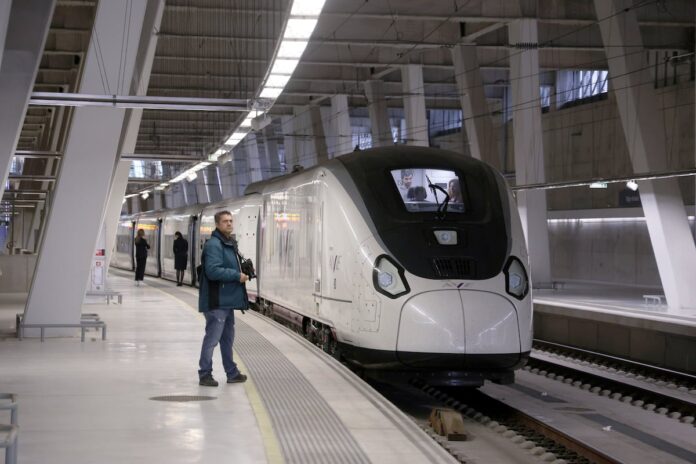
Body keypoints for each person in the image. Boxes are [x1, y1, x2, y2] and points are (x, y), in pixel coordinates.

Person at [198, 211, 249, 387]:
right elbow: (212, 271)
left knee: (227, 339)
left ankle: (232, 372)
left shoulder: (228, 243)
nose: (229, 224)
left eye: (231, 221)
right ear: (217, 224)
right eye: (225, 221)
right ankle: (205, 373)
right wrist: (236, 275)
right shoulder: (214, 245)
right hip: (216, 301)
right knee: (212, 339)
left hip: (227, 301)